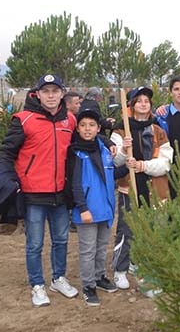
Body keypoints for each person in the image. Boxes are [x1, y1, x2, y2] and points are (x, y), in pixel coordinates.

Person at [0, 74, 79, 307]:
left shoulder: (70, 120)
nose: (51, 96)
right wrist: (6, 180)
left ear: (62, 94)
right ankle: (37, 285)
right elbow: (6, 152)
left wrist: (110, 143)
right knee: (34, 243)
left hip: (60, 192)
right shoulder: (23, 120)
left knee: (61, 239)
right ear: (38, 94)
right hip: (33, 193)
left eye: (55, 91)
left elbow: (83, 142)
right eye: (46, 91)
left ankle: (58, 278)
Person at [110, 86, 173, 293]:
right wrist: (123, 149)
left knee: (153, 230)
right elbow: (115, 161)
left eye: (147, 101)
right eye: (139, 101)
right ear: (132, 105)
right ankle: (120, 268)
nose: (143, 104)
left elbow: (166, 162)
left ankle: (146, 269)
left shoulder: (158, 131)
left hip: (155, 189)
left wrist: (143, 166)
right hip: (130, 189)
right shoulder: (121, 131)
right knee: (127, 229)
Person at [66, 108, 129, 306]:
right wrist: (82, 208)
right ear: (77, 128)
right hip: (87, 210)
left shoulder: (104, 150)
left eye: (92, 125)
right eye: (83, 125)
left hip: (105, 208)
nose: (87, 129)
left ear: (98, 128)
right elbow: (75, 184)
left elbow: (111, 174)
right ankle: (88, 285)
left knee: (102, 247)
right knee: (88, 250)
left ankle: (99, 276)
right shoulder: (76, 152)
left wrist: (128, 166)